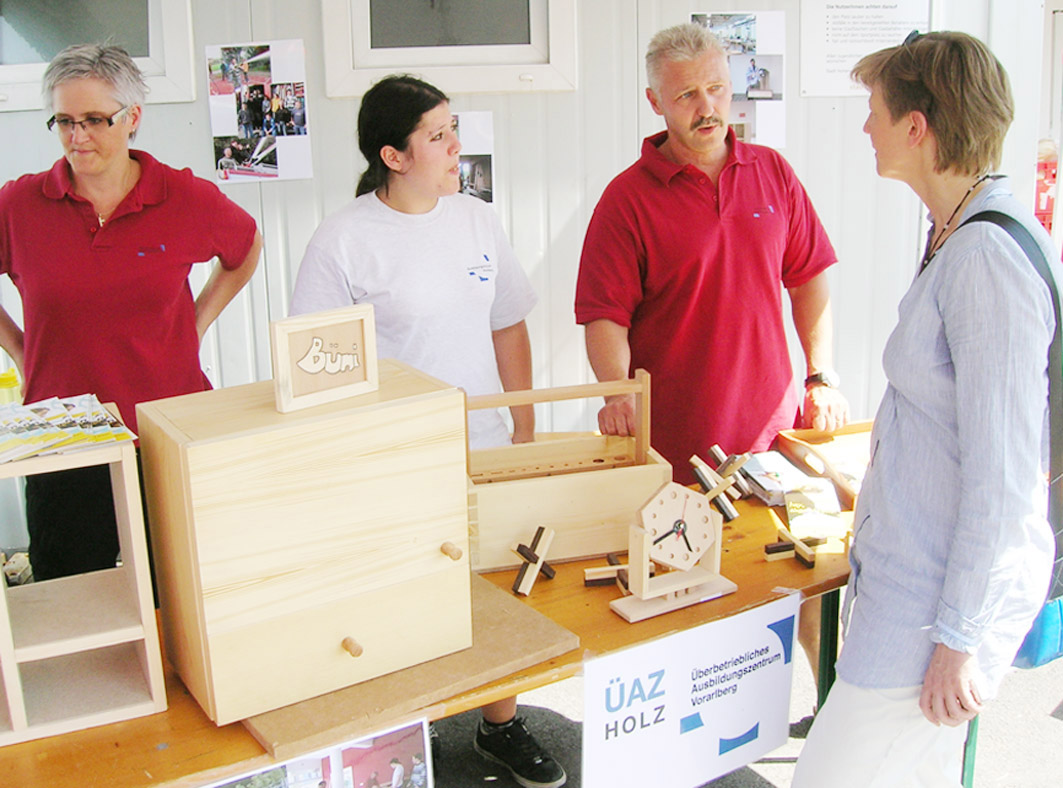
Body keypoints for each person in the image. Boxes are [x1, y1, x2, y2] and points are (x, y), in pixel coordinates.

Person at [792, 31, 1057, 787]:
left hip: (929, 615)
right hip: (912, 592)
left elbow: (1005, 478)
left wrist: (960, 639)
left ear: (917, 127)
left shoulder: (985, 258)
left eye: (874, 110)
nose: (864, 126)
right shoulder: (958, 232)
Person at [290, 74, 564, 788]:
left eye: (453, 129)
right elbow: (317, 366)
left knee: (496, 594)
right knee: (396, 603)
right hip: (392, 461)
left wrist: (524, 426)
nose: (454, 146)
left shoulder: (476, 220)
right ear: (394, 156)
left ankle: (499, 725)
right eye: (437, 136)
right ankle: (397, 747)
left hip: (485, 441)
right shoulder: (343, 241)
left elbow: (507, 323)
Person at [574, 22, 849, 682]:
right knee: (688, 609)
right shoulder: (626, 199)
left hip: (773, 439)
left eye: (717, 88)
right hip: (677, 451)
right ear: (655, 102)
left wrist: (820, 374)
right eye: (687, 95)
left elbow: (810, 276)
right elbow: (604, 315)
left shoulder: (772, 173)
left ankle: (828, 713)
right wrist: (617, 391)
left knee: (806, 587)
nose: (707, 107)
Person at [0, 44, 262, 581]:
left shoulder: (183, 197)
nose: (78, 137)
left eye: (95, 120)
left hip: (167, 427)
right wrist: (21, 349)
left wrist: (196, 323)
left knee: (180, 589)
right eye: (65, 121)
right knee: (73, 595)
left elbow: (245, 247)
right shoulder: (19, 206)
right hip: (64, 437)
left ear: (132, 117)